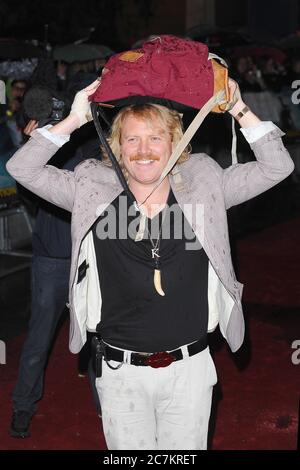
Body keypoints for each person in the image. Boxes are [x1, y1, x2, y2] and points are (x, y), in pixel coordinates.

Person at [6, 76, 294, 450]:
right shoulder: (92, 185)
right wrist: (75, 119)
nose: (144, 150)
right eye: (132, 139)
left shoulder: (204, 181)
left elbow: (278, 167)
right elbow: (22, 169)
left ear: (175, 142)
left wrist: (238, 107)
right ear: (117, 147)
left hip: (189, 368)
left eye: (155, 137)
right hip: (119, 371)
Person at [9, 119, 101, 438]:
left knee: (97, 336)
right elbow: (27, 186)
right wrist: (32, 145)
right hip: (54, 260)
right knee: (39, 338)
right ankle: (23, 405)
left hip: (88, 260)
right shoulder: (52, 144)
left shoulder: (100, 146)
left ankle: (108, 406)